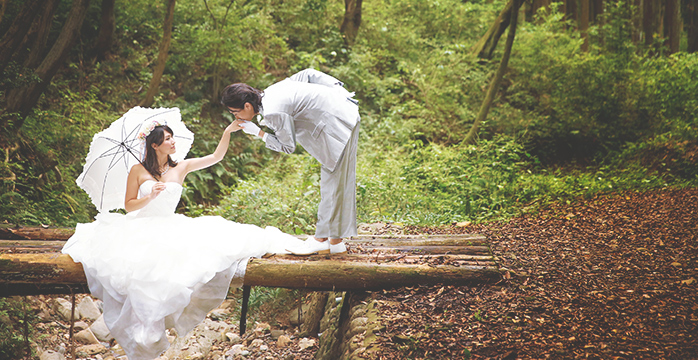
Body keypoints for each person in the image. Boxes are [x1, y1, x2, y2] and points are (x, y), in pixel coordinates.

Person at [62, 120, 305, 360]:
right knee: (141, 273)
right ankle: (144, 336)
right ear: (155, 145)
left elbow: (216, 157)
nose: (172, 142)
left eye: (172, 137)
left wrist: (227, 131)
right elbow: (128, 206)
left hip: (170, 224)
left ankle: (157, 330)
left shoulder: (182, 167)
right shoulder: (138, 170)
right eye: (168, 139)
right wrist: (150, 197)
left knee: (202, 254)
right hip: (141, 227)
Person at [220, 68, 360, 255]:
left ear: (247, 106)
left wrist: (259, 133)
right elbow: (308, 73)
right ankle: (333, 242)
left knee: (335, 184)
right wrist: (336, 87)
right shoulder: (271, 91)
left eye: (235, 112)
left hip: (337, 125)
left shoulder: (272, 112)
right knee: (333, 184)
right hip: (341, 114)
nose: (235, 117)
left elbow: (287, 147)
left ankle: (325, 240)